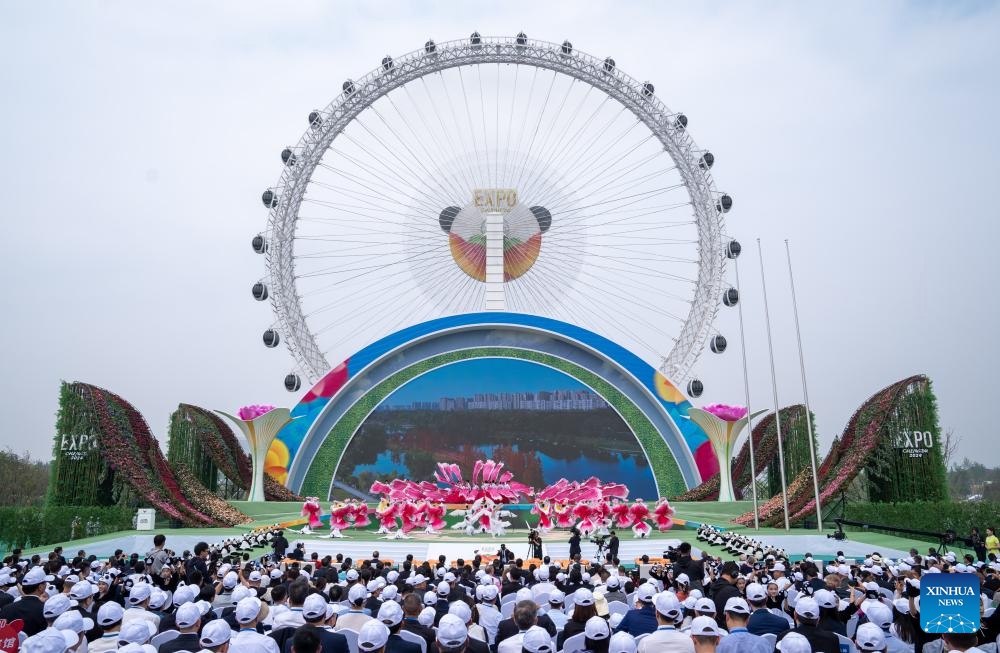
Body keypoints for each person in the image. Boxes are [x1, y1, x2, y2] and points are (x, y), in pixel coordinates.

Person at [0, 566, 50, 636]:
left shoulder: (6, 608)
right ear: (40, 587)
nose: (46, 585)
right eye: (45, 583)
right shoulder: (45, 609)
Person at [707, 562, 740, 629]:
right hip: (725, 628)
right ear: (734, 574)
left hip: (711, 625)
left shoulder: (712, 585)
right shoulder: (733, 591)